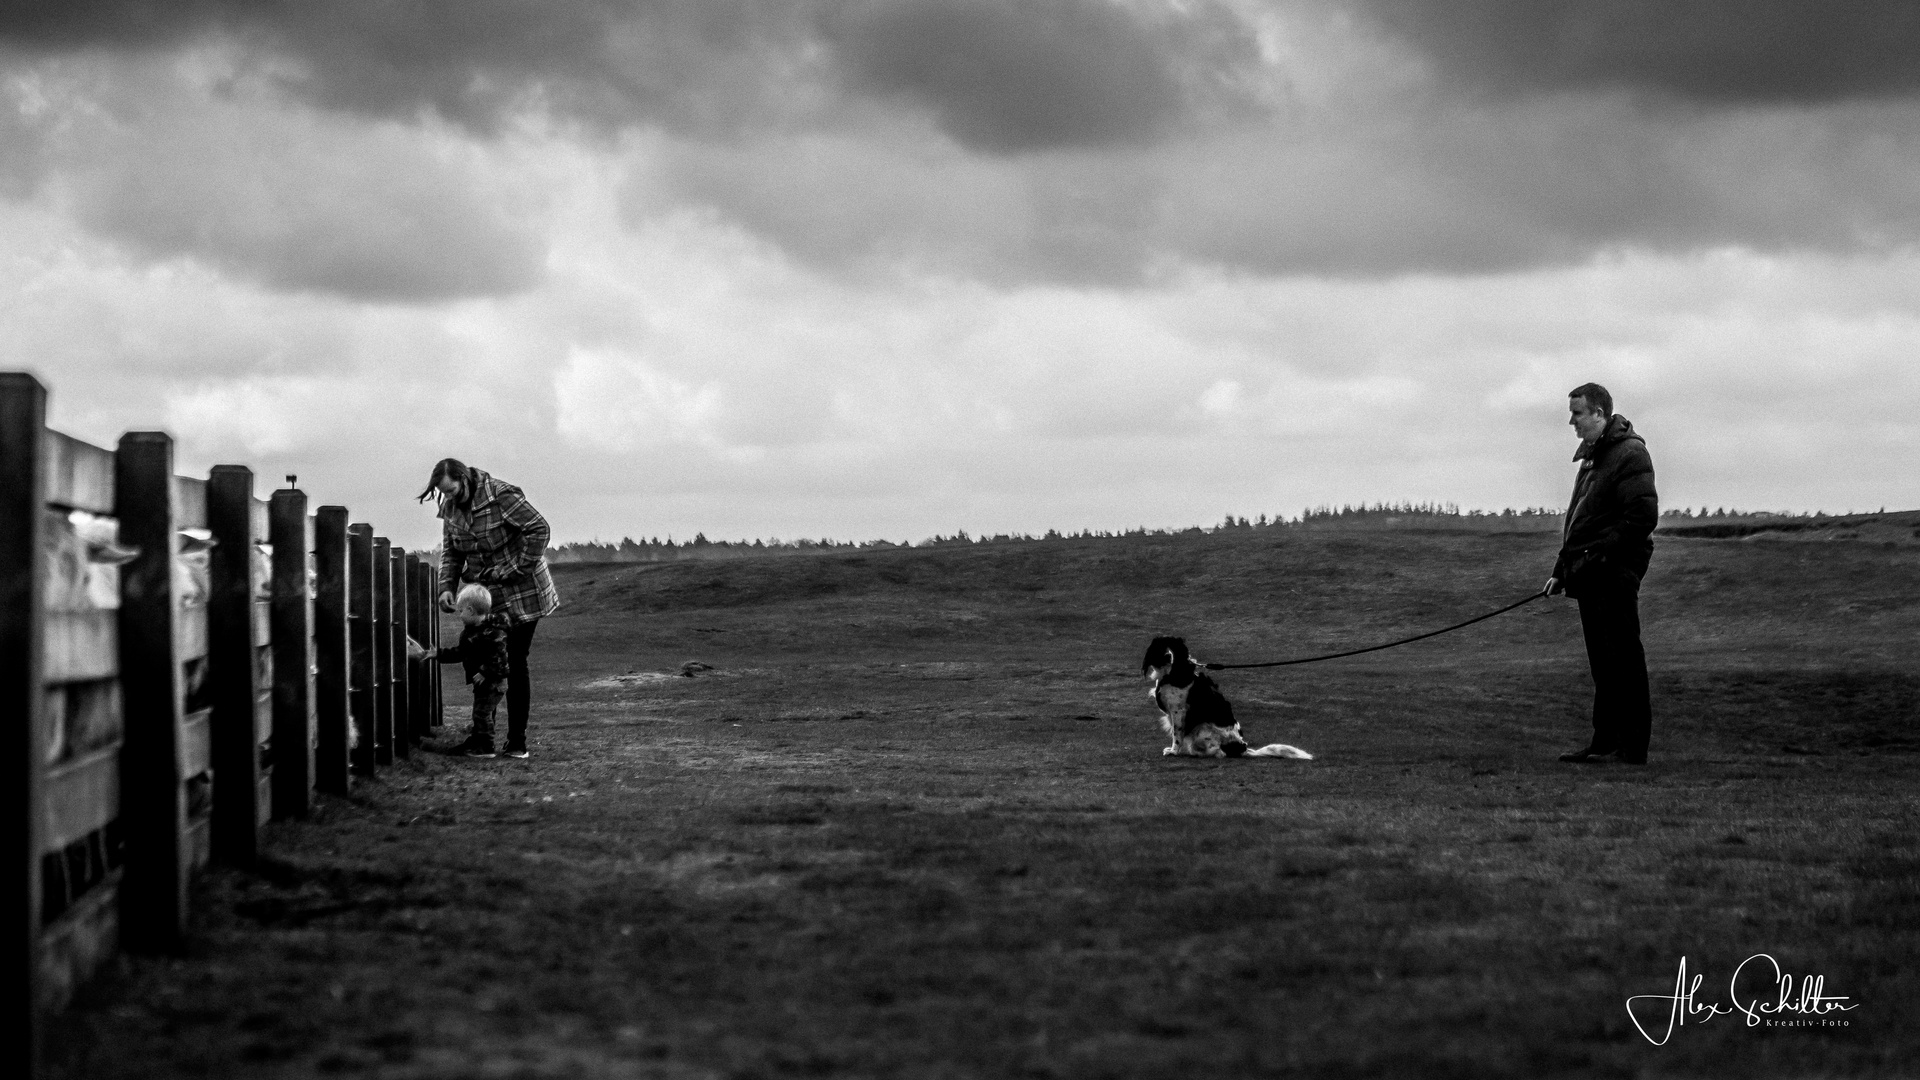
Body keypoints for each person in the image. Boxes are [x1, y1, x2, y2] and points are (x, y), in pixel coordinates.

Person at [1543, 383, 1658, 765]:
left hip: (1614, 573)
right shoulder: (1594, 457)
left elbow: (1641, 517)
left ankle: (1631, 748)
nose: (1572, 422)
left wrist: (1599, 556)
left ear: (1599, 413)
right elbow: (1581, 519)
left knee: (1623, 659)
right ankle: (1604, 742)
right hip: (1589, 574)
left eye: (1577, 413)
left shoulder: (1630, 453)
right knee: (1603, 664)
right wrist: (1562, 569)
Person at [419, 458, 558, 760]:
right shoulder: (451, 509)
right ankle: (483, 741)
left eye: (453, 490)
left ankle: (517, 742)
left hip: (524, 591)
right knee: (483, 659)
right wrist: (446, 587)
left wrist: (512, 568)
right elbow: (452, 551)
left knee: (515, 660)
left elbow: (539, 529)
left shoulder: (500, 495)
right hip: (487, 597)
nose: (450, 497)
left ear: (464, 479)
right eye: (445, 493)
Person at [424, 584, 512, 758]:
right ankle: (478, 741)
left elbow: (500, 660)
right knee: (480, 712)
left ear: (471, 610)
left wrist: (484, 672)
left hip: (493, 683)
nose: (460, 615)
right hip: (484, 683)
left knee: (482, 713)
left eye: (461, 611)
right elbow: (461, 653)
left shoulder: (494, 633)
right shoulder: (473, 632)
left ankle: (485, 747)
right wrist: (438, 654)